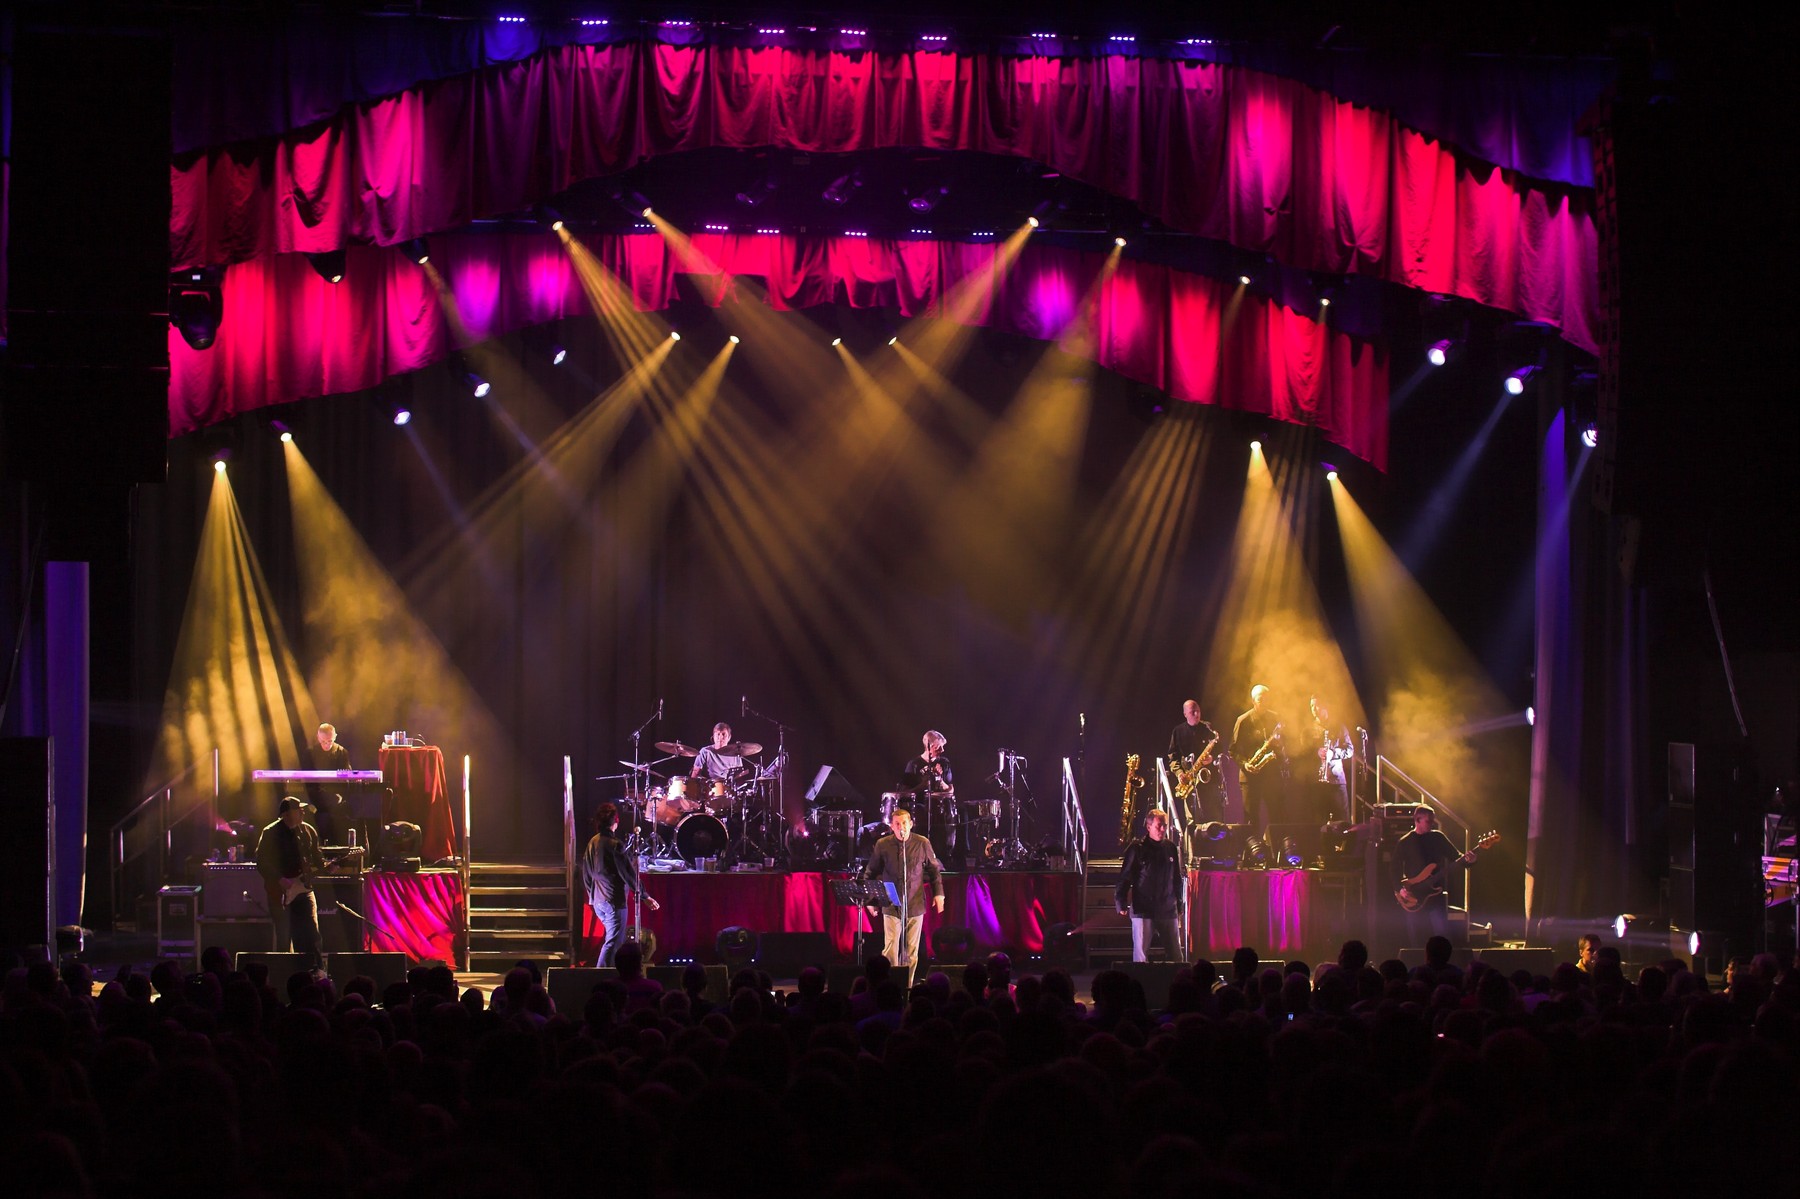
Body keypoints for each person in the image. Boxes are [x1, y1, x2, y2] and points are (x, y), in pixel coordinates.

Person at [862, 807, 945, 988]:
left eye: (904, 823)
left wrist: (939, 894)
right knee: (891, 947)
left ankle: (906, 985)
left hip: (915, 902)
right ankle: (890, 985)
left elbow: (934, 871)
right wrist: (870, 901)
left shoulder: (922, 843)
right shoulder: (883, 844)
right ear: (892, 826)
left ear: (911, 824)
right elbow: (870, 872)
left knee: (911, 951)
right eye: (897, 824)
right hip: (891, 902)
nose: (901, 827)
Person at [254, 796, 327, 971]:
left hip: (304, 890)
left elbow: (318, 859)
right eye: (298, 810)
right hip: (280, 892)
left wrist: (327, 867)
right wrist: (279, 878)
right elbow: (262, 861)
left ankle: (316, 971)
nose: (302, 812)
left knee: (312, 934)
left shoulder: (308, 831)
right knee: (284, 936)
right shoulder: (271, 833)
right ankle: (286, 972)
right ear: (286, 814)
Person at [580, 802, 657, 967]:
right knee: (613, 943)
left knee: (612, 940)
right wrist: (644, 895)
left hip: (599, 900)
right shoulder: (614, 845)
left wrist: (593, 895)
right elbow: (628, 874)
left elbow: (586, 873)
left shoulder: (592, 842)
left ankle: (609, 974)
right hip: (613, 901)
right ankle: (601, 975)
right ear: (616, 821)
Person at [1394, 805, 1483, 946]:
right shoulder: (1405, 842)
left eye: (1432, 821)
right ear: (1417, 820)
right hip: (1414, 896)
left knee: (1443, 937)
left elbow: (1457, 857)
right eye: (1428, 821)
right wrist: (1400, 889)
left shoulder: (1438, 838)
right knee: (1417, 939)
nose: (1432, 824)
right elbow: (1394, 868)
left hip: (1436, 895)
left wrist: (1470, 860)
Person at [1116, 809, 1185, 962]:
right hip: (1143, 909)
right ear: (1148, 827)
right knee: (1141, 957)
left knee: (1176, 956)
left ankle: (1177, 977)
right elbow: (1125, 876)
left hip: (1167, 908)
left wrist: (1179, 904)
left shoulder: (1171, 848)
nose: (1162, 829)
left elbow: (1176, 878)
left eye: (1164, 826)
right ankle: (1140, 978)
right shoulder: (1137, 848)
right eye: (1159, 826)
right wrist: (1121, 901)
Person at [1231, 685, 1286, 834]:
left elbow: (1284, 745)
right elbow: (1233, 750)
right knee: (1251, 818)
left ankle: (1276, 846)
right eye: (1260, 699)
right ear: (1253, 701)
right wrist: (1245, 764)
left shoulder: (1275, 718)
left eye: (1266, 699)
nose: (1264, 702)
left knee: (1276, 815)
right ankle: (1253, 847)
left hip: (1271, 775)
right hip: (1250, 776)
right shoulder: (1243, 720)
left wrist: (1279, 745)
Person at [899, 730, 956, 858]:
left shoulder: (944, 763)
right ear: (929, 746)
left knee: (960, 813)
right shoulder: (914, 765)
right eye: (939, 747)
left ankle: (947, 853)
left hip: (940, 808)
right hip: (920, 806)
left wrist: (939, 780)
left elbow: (951, 789)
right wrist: (923, 785)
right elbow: (904, 793)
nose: (942, 750)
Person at [1168, 700, 1222, 825]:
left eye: (1198, 711)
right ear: (1185, 714)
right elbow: (1172, 757)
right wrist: (1179, 773)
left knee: (1213, 817)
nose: (1197, 714)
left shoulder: (1208, 728)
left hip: (1208, 781)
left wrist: (1212, 758)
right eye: (1193, 712)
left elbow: (1220, 749)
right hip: (1189, 780)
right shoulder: (1178, 731)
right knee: (1192, 820)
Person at [1305, 696, 1354, 821]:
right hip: (1317, 782)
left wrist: (1333, 753)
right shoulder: (1308, 729)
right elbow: (1302, 752)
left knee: (1343, 820)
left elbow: (1350, 750)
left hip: (1336, 780)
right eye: (1311, 706)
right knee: (1319, 821)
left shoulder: (1339, 727)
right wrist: (1316, 752)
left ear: (1325, 706)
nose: (1314, 709)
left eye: (1316, 705)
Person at [307, 722, 351, 842]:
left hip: (336, 799)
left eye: (329, 741)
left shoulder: (342, 752)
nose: (326, 745)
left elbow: (347, 779)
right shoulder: (311, 753)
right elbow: (307, 779)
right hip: (317, 799)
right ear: (318, 738)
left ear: (335, 737)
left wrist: (339, 794)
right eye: (323, 742)